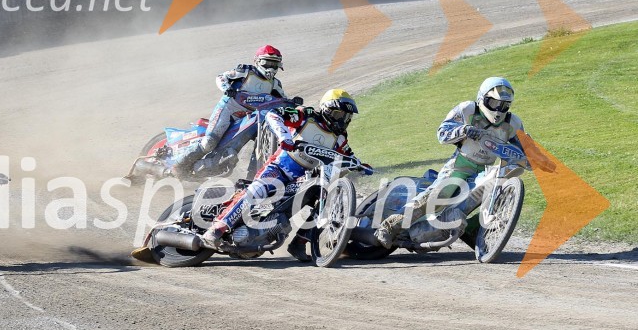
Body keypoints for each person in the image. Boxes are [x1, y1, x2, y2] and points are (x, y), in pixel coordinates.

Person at [199, 89, 364, 262]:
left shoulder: (340, 138)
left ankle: (299, 242)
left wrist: (362, 166)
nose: (343, 120)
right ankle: (217, 229)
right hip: (279, 168)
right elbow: (274, 115)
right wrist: (284, 137)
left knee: (323, 195)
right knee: (258, 190)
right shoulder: (307, 116)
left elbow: (349, 156)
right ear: (327, 109)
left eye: (347, 117)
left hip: (304, 178)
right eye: (340, 114)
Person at [374, 77, 533, 249]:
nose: (498, 109)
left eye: (503, 105)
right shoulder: (467, 109)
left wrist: (534, 157)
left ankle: (474, 234)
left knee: (474, 202)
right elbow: (442, 133)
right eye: (494, 103)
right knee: (437, 196)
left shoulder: (513, 123)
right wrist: (463, 130)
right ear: (482, 98)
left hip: (486, 170)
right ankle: (389, 226)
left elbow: (526, 148)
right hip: (459, 165)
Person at [171, 45, 286, 177]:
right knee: (209, 142)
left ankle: (253, 176)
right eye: (267, 62)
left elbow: (283, 100)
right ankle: (178, 165)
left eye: (274, 64)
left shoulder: (275, 84)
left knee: (262, 140)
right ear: (257, 61)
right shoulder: (246, 71)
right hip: (229, 109)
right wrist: (226, 87)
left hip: (251, 117)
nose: (271, 67)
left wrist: (293, 104)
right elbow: (221, 77)